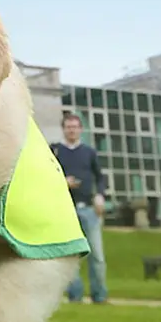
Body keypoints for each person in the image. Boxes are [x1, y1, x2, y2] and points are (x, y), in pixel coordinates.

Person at [50, 113, 108, 303]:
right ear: (63, 129)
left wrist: (100, 195)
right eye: (68, 127)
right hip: (65, 210)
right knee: (71, 256)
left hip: (88, 209)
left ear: (80, 129)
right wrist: (61, 182)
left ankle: (100, 296)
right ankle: (75, 296)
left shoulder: (89, 152)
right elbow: (45, 176)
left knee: (97, 256)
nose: (72, 130)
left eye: (75, 126)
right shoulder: (55, 151)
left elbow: (100, 177)